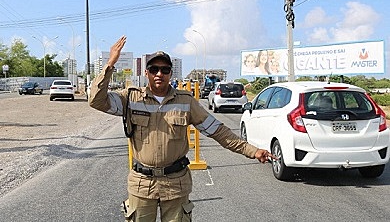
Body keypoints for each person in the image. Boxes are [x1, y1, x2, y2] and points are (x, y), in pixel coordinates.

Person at [89, 35, 277, 222]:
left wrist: (253, 151)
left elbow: (218, 131)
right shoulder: (130, 98)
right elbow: (96, 101)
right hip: (141, 184)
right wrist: (110, 64)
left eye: (165, 70)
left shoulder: (185, 101)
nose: (159, 74)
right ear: (146, 73)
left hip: (175, 184)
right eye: (154, 69)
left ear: (171, 73)